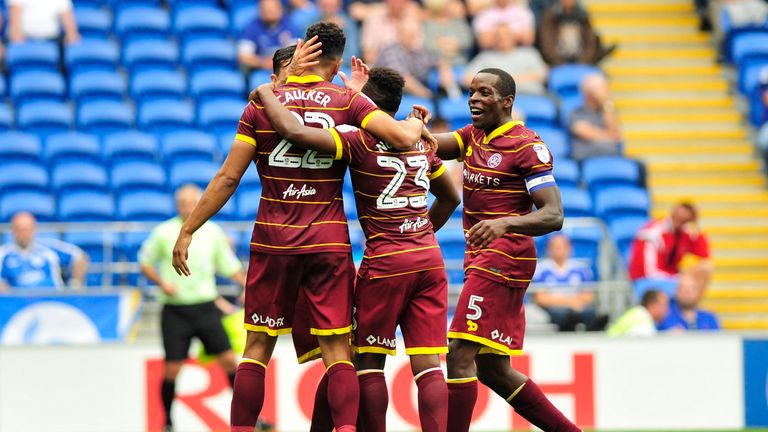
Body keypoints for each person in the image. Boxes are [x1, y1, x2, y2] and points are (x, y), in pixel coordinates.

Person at [171, 22, 427, 432]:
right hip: (327, 240)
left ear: (304, 50)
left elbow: (227, 179)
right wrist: (412, 123)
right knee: (337, 350)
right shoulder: (348, 101)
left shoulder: (262, 102)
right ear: (337, 61)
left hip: (273, 240)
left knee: (256, 348)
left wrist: (188, 230)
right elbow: (398, 139)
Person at [257, 66, 461, 432]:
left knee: (366, 361)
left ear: (364, 105)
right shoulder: (419, 144)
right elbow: (450, 197)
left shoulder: (354, 139)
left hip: (385, 262)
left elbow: (296, 132)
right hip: (429, 259)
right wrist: (422, 230)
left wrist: (271, 92)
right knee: (429, 365)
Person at [423, 68, 579, 432]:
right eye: (472, 92)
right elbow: (431, 144)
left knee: (459, 353)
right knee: (493, 369)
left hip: (505, 258)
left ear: (507, 101)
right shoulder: (474, 136)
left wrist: (504, 222)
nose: (474, 98)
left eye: (485, 92)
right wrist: (406, 127)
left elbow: (554, 215)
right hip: (482, 258)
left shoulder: (526, 146)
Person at [139, 185, 245, 432]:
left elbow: (228, 266)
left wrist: (247, 284)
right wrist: (162, 283)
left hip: (205, 307)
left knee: (230, 361)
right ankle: (167, 421)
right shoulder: (164, 232)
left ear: (199, 203)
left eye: (191, 202)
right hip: (176, 310)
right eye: (183, 202)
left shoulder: (212, 232)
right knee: (172, 368)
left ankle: (247, 418)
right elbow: (145, 262)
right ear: (177, 204)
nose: (187, 206)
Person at [532, 234, 607, 332]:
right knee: (562, 314)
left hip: (577, 306)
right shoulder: (540, 269)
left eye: (562, 246)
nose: (559, 250)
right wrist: (569, 302)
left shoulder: (581, 269)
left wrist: (573, 303)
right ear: (549, 249)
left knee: (589, 313)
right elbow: (541, 298)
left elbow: (589, 296)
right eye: (555, 247)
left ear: (569, 248)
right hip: (554, 308)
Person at [628, 202, 712, 289]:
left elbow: (704, 256)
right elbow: (649, 273)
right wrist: (678, 279)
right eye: (679, 218)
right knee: (688, 283)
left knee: (705, 268)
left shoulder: (683, 233)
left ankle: (689, 300)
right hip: (647, 281)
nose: (680, 223)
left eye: (685, 221)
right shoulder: (653, 233)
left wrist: (696, 228)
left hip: (668, 278)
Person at [0, 212, 88, 291]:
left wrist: (75, 284)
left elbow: (80, 256)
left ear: (34, 229)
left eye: (27, 229)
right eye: (19, 229)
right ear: (12, 230)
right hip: (18, 304)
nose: (23, 234)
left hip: (53, 301)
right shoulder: (3, 254)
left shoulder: (49, 248)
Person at [375, 17, 459, 99]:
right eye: (407, 33)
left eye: (414, 33)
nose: (412, 37)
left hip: (409, 97)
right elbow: (403, 80)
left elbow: (438, 60)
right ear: (399, 33)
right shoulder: (390, 51)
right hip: (386, 98)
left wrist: (444, 70)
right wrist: (429, 96)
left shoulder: (418, 51)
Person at [462, 24, 548, 95]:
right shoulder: (485, 57)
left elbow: (542, 75)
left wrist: (509, 81)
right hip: (497, 99)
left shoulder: (529, 53)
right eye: (499, 36)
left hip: (530, 94)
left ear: (513, 37)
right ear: (494, 39)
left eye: (506, 35)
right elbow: (467, 79)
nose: (502, 38)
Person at [537, 0, 614, 66]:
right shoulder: (551, 15)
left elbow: (591, 40)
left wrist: (584, 61)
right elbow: (546, 42)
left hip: (581, 61)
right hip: (557, 63)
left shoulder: (583, 15)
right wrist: (557, 62)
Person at [568, 73, 622, 161]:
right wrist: (610, 136)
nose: (606, 91)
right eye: (602, 88)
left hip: (610, 155)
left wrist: (606, 103)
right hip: (585, 158)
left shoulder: (607, 111)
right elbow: (587, 134)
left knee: (639, 165)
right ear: (590, 92)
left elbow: (616, 133)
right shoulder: (576, 113)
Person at [237, 0, 296, 71]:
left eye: (273, 9)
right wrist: (263, 62)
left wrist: (278, 63)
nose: (270, 12)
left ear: (281, 9)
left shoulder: (289, 25)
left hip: (284, 68)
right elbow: (243, 57)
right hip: (261, 70)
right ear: (260, 11)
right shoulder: (251, 28)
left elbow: (294, 53)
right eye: (266, 9)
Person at [423, 0, 473, 66]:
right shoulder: (428, 25)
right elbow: (427, 44)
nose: (452, 7)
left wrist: (456, 45)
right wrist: (445, 47)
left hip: (460, 63)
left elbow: (468, 41)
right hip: (436, 65)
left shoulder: (459, 22)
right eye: (448, 4)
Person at [7, 0, 80, 44]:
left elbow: (69, 23)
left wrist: (72, 36)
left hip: (52, 41)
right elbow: (14, 25)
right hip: (25, 40)